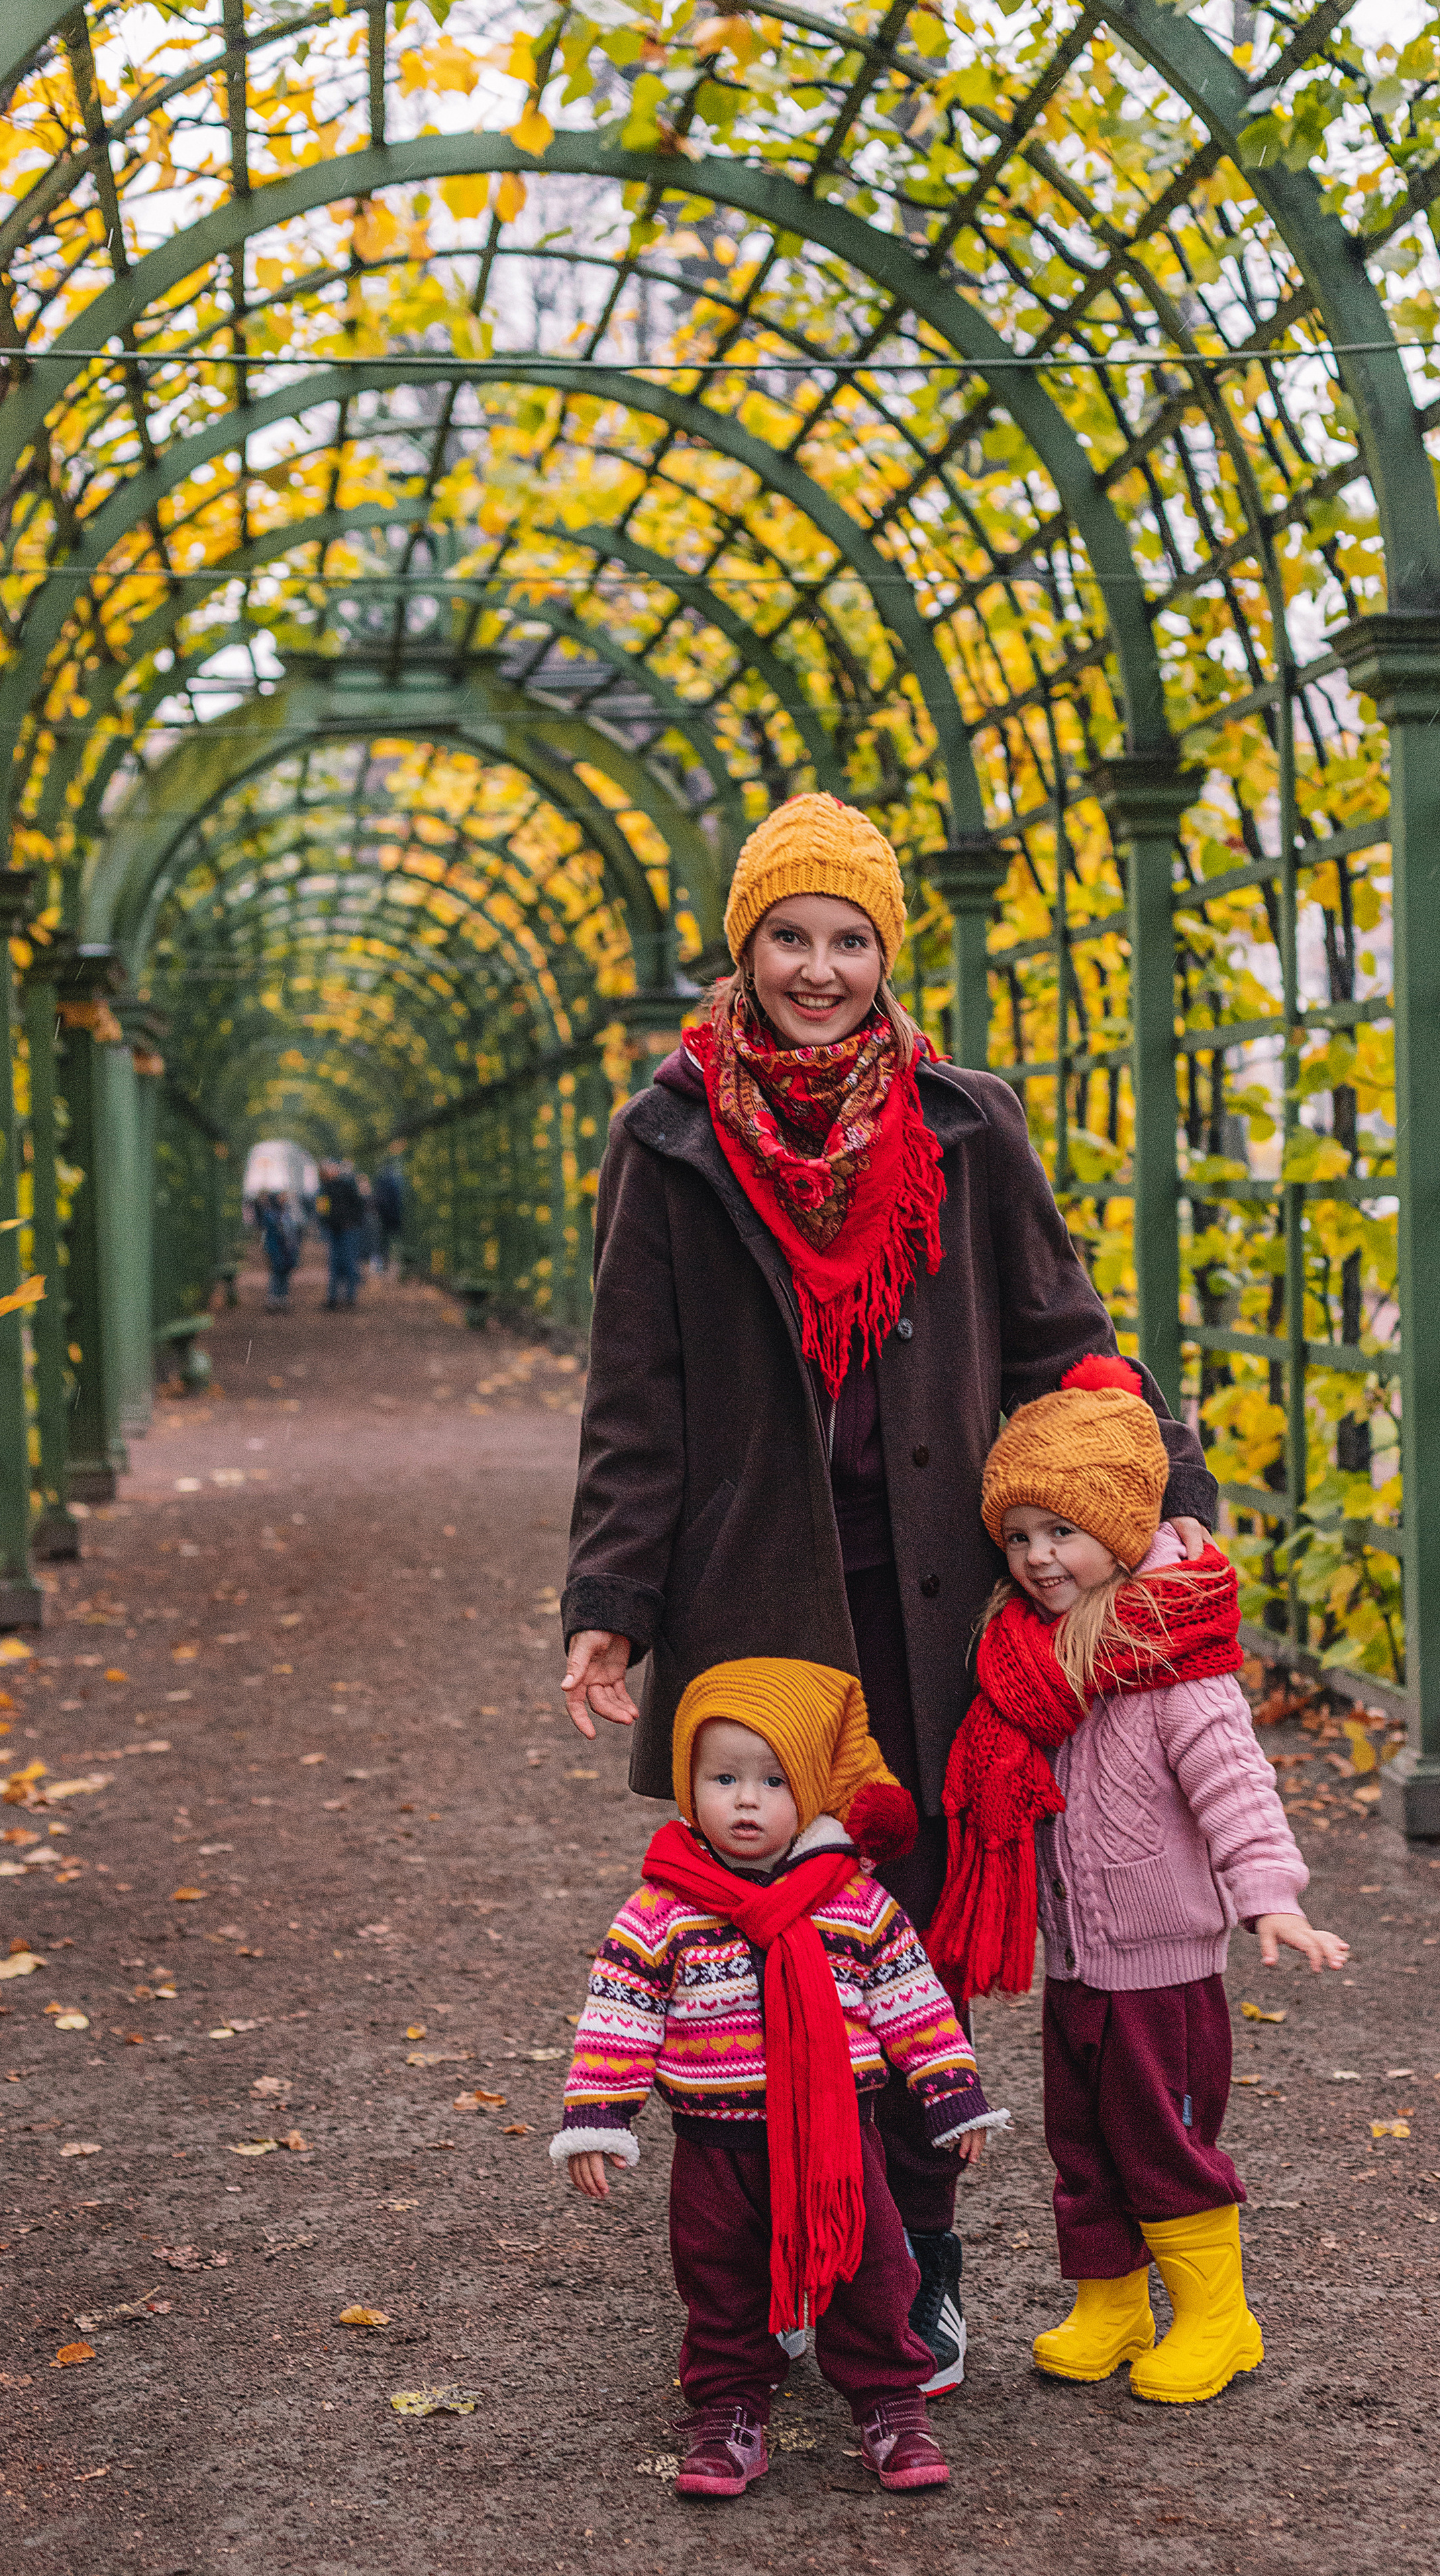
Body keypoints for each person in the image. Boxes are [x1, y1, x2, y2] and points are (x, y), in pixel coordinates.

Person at [560, 790, 1219, 2388]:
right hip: (758, 1608)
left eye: (847, 937)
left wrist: (1171, 1493)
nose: (818, 966)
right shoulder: (668, 1133)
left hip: (938, 1619)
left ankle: (907, 2260)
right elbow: (634, 1395)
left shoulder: (963, 1124)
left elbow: (1066, 1336)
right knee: (765, 1936)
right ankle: (784, 2248)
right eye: (787, 934)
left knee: (894, 1942)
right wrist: (610, 1599)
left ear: (883, 953)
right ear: (743, 946)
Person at [925, 1354, 1349, 2405]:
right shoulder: (1031, 1658)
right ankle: (1111, 2305)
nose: (1035, 1557)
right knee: (1083, 2140)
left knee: (1164, 2140)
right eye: (1017, 1537)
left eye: (1060, 1532)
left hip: (1162, 1967)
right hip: (1077, 1959)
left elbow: (1234, 1787)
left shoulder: (1173, 1665)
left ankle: (1218, 2315)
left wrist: (1272, 1898)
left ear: (1116, 1530)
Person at [552, 1658, 1005, 2499]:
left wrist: (953, 2094)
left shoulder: (854, 1902)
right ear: (690, 1787)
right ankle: (728, 2409)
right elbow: (620, 2014)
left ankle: (891, 2403)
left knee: (872, 2271)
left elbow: (912, 2002)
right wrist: (599, 2115)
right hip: (714, 2144)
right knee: (720, 2278)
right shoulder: (664, 1910)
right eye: (723, 1778)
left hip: (839, 2141)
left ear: (816, 1789)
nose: (747, 1800)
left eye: (772, 1779)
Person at [315, 1161, 365, 1311]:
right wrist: (328, 1224)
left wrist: (352, 1222)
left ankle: (349, 1298)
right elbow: (322, 1211)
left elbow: (358, 1206)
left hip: (347, 1230)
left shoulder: (347, 1185)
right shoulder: (325, 1189)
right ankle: (334, 1299)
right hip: (336, 1231)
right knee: (336, 1264)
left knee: (348, 1263)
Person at [257, 1191, 300, 1312]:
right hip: (276, 1249)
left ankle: (282, 1298)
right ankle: (274, 1298)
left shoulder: (284, 1213)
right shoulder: (271, 1215)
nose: (284, 1200)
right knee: (277, 1274)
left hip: (286, 1250)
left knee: (284, 1274)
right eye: (281, 1198)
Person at [370, 1159, 405, 1273]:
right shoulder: (396, 1182)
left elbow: (378, 1199)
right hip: (392, 1216)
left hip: (383, 1216)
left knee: (382, 1241)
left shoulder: (382, 1181)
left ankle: (384, 1264)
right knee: (390, 1241)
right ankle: (392, 1264)